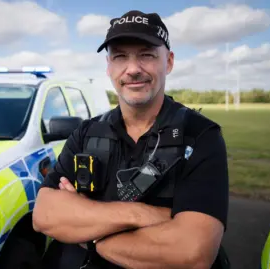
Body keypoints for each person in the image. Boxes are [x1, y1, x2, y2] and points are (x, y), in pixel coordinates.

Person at [33, 10, 229, 269]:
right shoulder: (86, 133)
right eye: (120, 56)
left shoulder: (200, 137)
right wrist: (141, 215)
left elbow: (192, 253)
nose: (133, 69)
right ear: (109, 66)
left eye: (147, 55)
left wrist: (90, 231)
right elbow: (44, 215)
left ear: (168, 62)